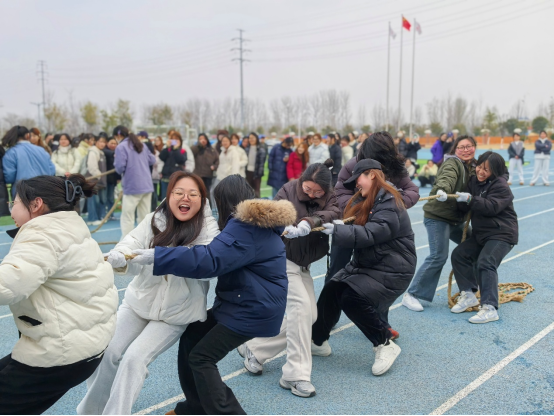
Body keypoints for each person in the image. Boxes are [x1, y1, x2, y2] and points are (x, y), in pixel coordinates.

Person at [131, 175, 296, 415]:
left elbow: (209, 261)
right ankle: (195, 408)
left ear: (225, 202)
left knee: (201, 358)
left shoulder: (244, 227)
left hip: (252, 310)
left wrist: (158, 256)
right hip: (241, 303)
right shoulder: (255, 224)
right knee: (192, 337)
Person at [77, 172, 220, 415]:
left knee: (134, 359)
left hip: (175, 314)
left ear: (202, 198)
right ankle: (90, 411)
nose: (185, 198)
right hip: (138, 303)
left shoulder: (208, 229)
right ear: (169, 194)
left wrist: (160, 257)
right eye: (178, 192)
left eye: (192, 194)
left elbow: (207, 268)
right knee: (106, 350)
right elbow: (131, 244)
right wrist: (121, 257)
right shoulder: (154, 219)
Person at [0, 174, 118, 415]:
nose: (11, 210)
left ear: (36, 204)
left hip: (62, 353)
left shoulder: (42, 235)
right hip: (86, 346)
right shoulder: (70, 226)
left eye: (15, 203)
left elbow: (6, 286)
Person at [240, 159, 340, 398]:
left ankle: (256, 348)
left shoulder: (331, 197)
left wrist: (311, 221)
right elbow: (273, 215)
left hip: (303, 264)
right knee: (301, 309)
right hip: (282, 260)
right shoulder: (288, 190)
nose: (312, 194)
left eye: (318, 192)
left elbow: (335, 212)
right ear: (302, 181)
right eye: (308, 189)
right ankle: (295, 375)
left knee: (309, 316)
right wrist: (289, 226)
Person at [312, 159, 416, 376]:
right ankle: (317, 340)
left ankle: (384, 343)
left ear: (372, 175)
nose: (356, 185)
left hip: (393, 268)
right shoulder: (370, 200)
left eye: (358, 179)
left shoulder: (389, 201)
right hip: (370, 264)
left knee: (351, 297)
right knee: (332, 288)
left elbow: (372, 233)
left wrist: (337, 231)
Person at [403, 135, 477, 312]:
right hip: (438, 217)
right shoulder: (453, 163)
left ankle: (469, 290)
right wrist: (443, 190)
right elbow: (447, 178)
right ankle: (412, 294)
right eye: (461, 147)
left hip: (456, 219)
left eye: (469, 146)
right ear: (455, 150)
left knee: (476, 244)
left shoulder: (474, 166)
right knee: (438, 255)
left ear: (475, 147)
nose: (465, 150)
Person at [447, 152, 518, 324]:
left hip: (502, 234)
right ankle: (469, 295)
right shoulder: (474, 181)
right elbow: (466, 205)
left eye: (486, 169)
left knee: (486, 262)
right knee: (459, 255)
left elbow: (492, 207)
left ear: (495, 171)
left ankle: (489, 308)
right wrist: (451, 199)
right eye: (479, 167)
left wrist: (470, 199)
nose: (480, 171)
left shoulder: (501, 185)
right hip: (482, 234)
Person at [114, 126, 156, 238]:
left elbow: (120, 168)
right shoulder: (141, 145)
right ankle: (145, 240)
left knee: (127, 217)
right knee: (144, 217)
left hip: (132, 185)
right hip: (146, 184)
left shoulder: (121, 147)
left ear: (118, 135)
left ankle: (127, 243)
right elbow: (152, 159)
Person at [2, 126, 56, 198]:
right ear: (28, 135)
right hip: (44, 190)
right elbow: (52, 170)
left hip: (22, 193)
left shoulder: (11, 152)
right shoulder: (41, 150)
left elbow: (9, 177)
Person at [86, 135, 108, 226]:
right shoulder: (93, 152)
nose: (102, 144)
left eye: (104, 142)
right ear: (96, 142)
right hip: (93, 181)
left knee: (99, 200)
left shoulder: (101, 152)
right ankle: (92, 219)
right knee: (93, 200)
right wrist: (99, 176)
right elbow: (92, 167)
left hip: (99, 181)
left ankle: (98, 217)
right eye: (100, 141)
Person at [160, 132, 188, 199]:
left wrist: (176, 149)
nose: (174, 141)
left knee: (176, 198)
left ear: (180, 141)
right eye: (173, 139)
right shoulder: (167, 150)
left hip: (177, 178)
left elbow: (181, 160)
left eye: (176, 139)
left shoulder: (183, 151)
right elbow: (161, 157)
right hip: (166, 177)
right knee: (165, 198)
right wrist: (167, 147)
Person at [192, 133, 219, 199]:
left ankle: (207, 204)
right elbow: (191, 152)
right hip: (197, 174)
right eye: (200, 139)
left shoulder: (212, 150)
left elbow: (217, 160)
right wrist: (199, 145)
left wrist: (214, 167)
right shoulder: (196, 149)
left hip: (208, 175)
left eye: (204, 139)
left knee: (207, 192)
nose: (202, 140)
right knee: (197, 191)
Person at [245, 132, 267, 198]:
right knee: (247, 190)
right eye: (250, 138)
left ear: (256, 138)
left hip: (257, 173)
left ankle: (257, 203)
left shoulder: (261, 149)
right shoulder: (247, 148)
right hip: (248, 172)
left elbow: (261, 163)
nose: (251, 139)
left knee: (257, 191)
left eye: (253, 138)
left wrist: (259, 174)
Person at [104, 138, 121, 218]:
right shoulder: (104, 152)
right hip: (104, 179)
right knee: (104, 198)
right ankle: (104, 214)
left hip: (112, 179)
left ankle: (111, 214)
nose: (113, 145)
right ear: (107, 143)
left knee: (111, 197)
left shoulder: (117, 153)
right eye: (111, 143)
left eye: (115, 143)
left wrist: (118, 178)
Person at [153, 136, 165, 201]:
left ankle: (160, 198)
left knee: (162, 187)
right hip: (155, 172)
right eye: (156, 140)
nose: (157, 142)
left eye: (158, 140)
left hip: (162, 171)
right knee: (154, 188)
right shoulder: (153, 149)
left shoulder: (163, 149)